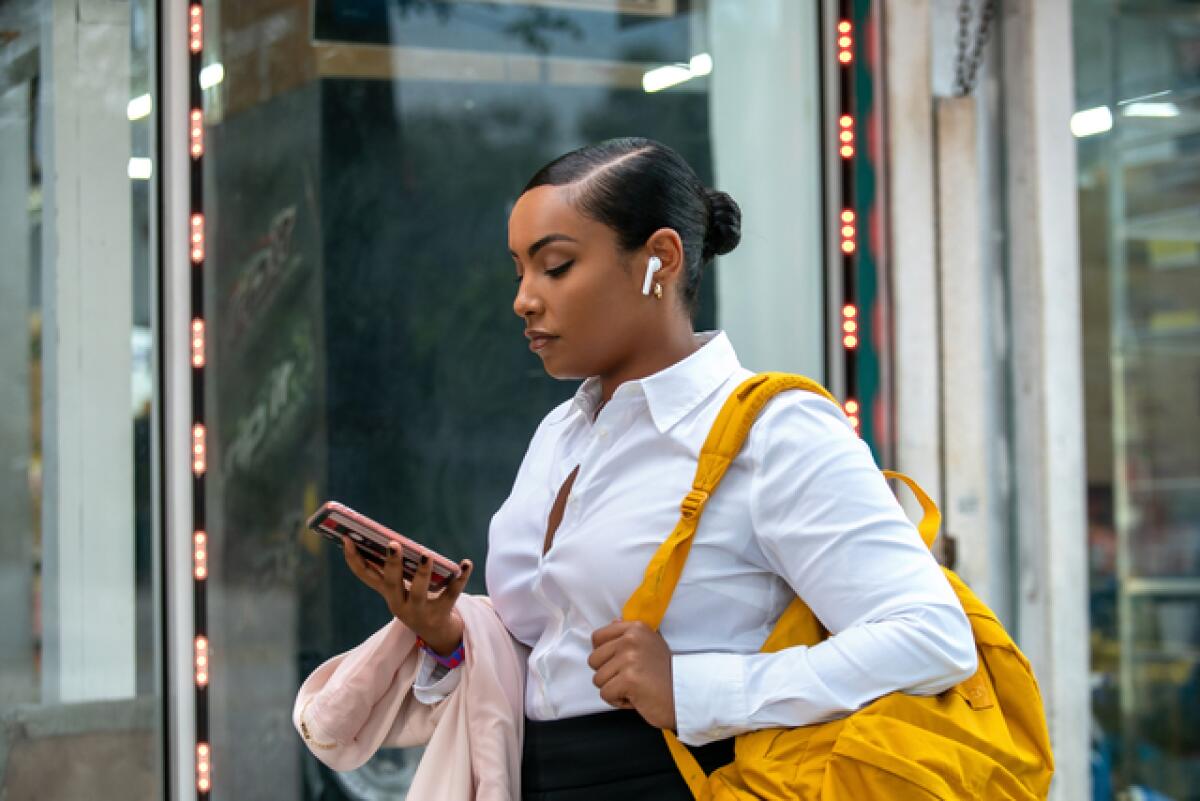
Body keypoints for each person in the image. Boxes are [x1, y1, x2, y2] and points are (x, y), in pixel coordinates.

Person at [340, 137, 978, 800]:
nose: (524, 299)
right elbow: (549, 651)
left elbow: (930, 636)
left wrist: (695, 687)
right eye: (518, 271)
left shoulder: (772, 430)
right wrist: (445, 631)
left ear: (660, 260)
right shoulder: (560, 434)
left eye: (555, 266)